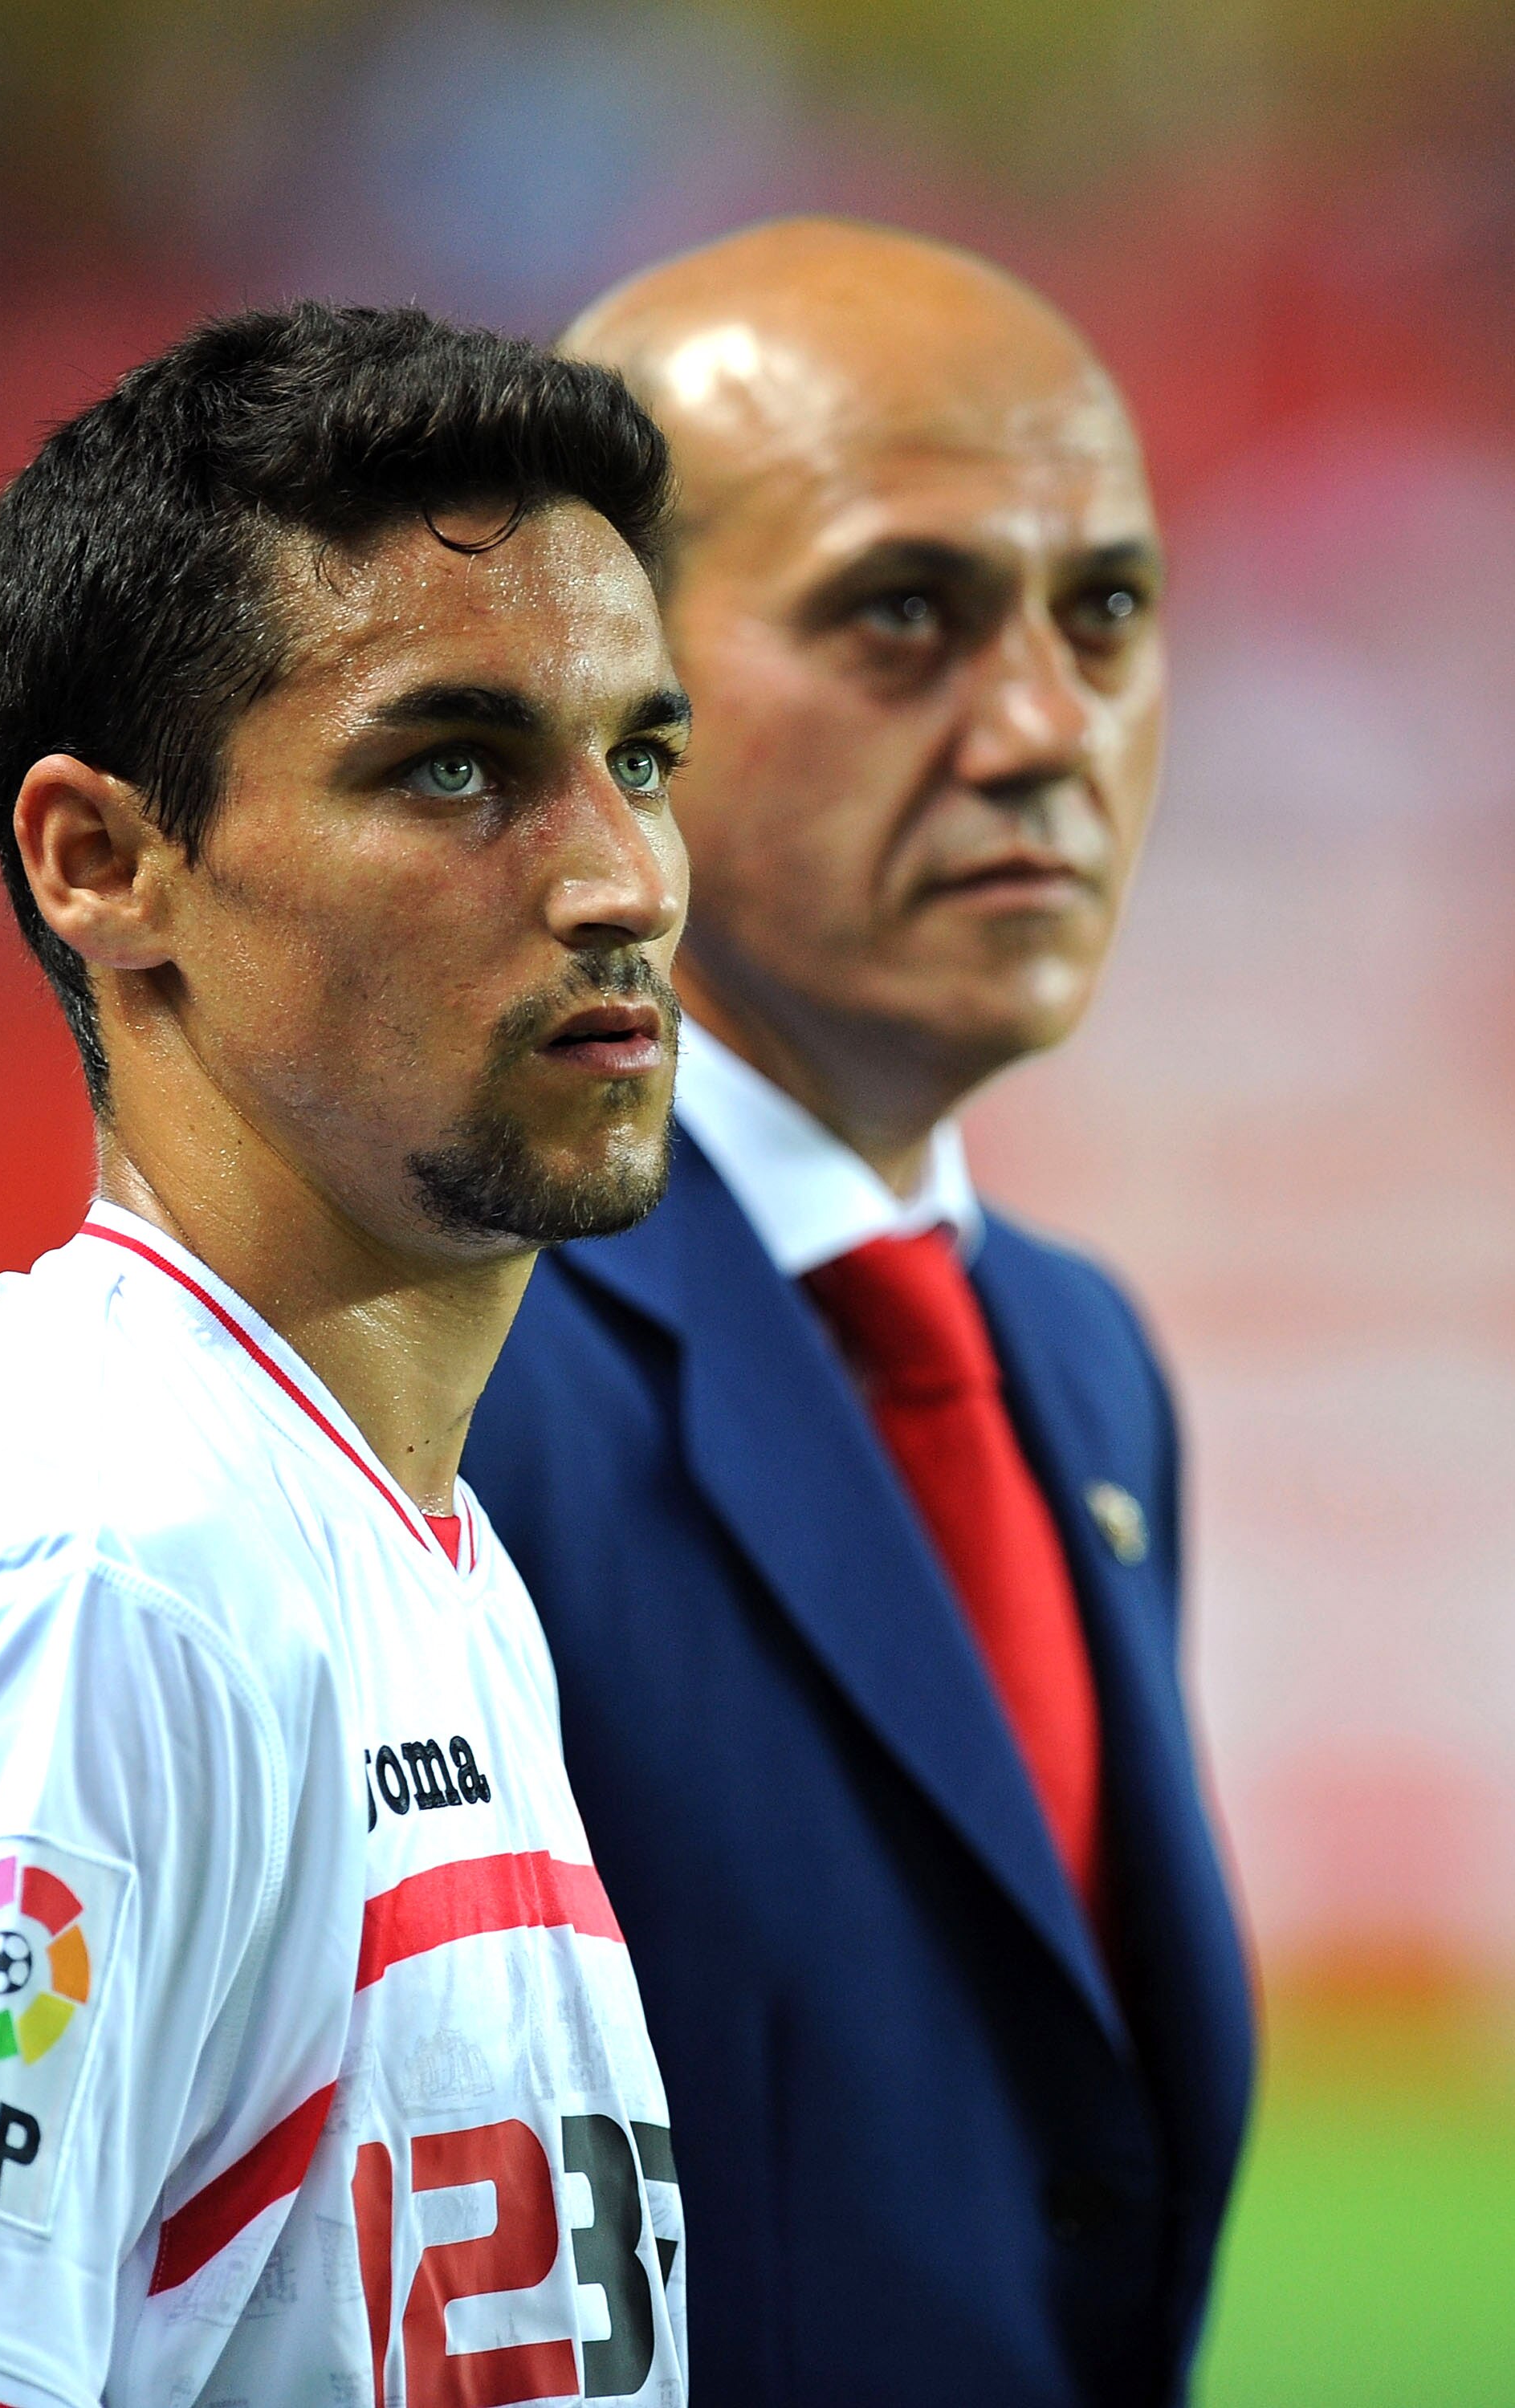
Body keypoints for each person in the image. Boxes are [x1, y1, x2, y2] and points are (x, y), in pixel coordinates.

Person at [0, 304, 697, 2408]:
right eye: (456, 767)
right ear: (103, 863)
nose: (617, 877)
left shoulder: (373, 1537)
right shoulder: (95, 1578)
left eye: (642, 757)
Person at [464, 219, 1256, 2407]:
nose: (1046, 728)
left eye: (1107, 613)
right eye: (905, 612)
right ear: (600, 690)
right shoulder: (438, 1351)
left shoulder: (1077, 1362)